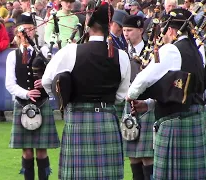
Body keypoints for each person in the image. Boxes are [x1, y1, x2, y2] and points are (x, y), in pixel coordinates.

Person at [42, 3, 131, 179]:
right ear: (110, 26)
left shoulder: (70, 51)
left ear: (88, 24)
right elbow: (121, 96)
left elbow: (47, 82)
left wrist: (64, 100)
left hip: (77, 119)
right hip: (107, 120)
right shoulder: (121, 56)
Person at [126, 8, 206, 180]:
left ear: (170, 29)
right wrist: (149, 104)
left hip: (175, 125)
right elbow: (183, 90)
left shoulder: (171, 50)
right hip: (196, 120)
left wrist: (130, 95)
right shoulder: (198, 52)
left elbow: (144, 78)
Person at [6, 13, 60, 180]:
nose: (27, 33)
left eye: (30, 29)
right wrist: (27, 93)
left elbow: (55, 78)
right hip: (22, 105)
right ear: (17, 33)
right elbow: (10, 84)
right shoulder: (12, 55)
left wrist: (44, 82)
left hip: (42, 104)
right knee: (27, 152)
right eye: (24, 30)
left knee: (42, 151)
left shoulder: (44, 51)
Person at [122, 15, 155, 180]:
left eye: (130, 30)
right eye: (124, 30)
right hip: (129, 105)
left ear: (141, 30)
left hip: (146, 104)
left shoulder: (151, 51)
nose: (126, 34)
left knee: (147, 154)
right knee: (133, 155)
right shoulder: (121, 52)